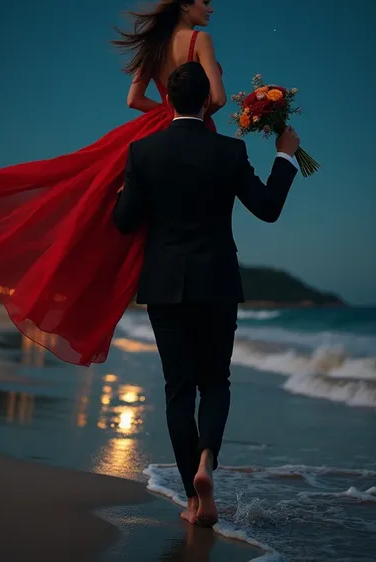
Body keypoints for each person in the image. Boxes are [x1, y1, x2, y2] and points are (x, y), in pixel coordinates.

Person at [0, 0, 226, 366]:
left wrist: (166, 113)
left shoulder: (153, 45)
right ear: (186, 4)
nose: (211, 8)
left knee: (100, 206)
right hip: (190, 131)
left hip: (149, 133)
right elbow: (216, 97)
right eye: (206, 1)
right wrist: (188, 116)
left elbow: (134, 100)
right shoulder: (201, 42)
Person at [113, 61, 299, 527]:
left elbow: (123, 222)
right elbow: (268, 209)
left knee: (178, 391)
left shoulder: (143, 153)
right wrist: (285, 156)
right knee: (215, 382)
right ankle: (205, 466)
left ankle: (194, 502)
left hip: (164, 287)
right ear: (206, 101)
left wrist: (124, 189)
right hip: (217, 283)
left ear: (171, 101)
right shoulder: (229, 152)